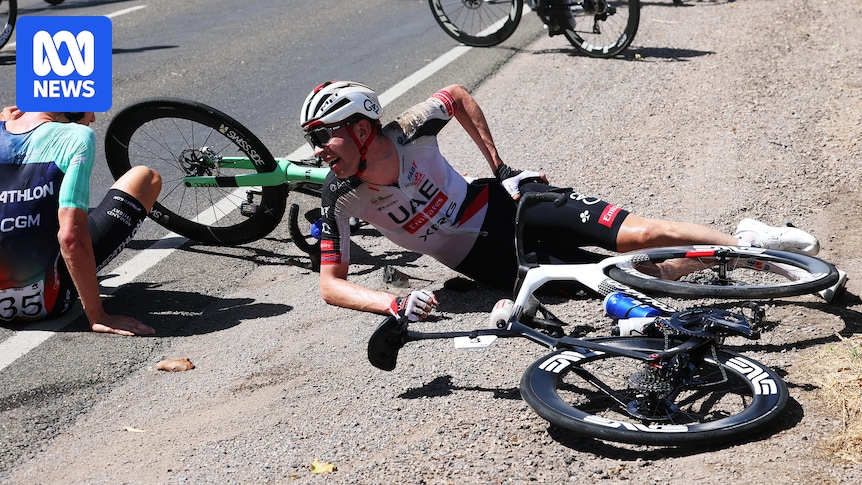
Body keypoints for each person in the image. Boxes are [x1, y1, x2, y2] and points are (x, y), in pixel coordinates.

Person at [300, 81, 820, 322]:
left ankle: (752, 242)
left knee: (639, 235)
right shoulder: (339, 196)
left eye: (324, 136)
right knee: (621, 279)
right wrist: (391, 302)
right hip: (486, 259)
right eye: (312, 141)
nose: (319, 152)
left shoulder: (409, 131)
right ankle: (721, 264)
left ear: (363, 128)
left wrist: (499, 168)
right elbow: (331, 285)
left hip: (510, 207)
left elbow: (456, 95)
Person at [1, 109, 162, 336]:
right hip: (51, 302)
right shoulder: (76, 136)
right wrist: (98, 316)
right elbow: (70, 237)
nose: (94, 118)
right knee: (146, 178)